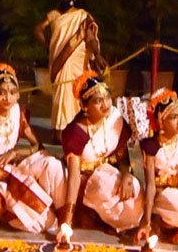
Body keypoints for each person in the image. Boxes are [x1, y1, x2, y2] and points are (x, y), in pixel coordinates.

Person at [0, 63, 66, 234]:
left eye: (12, 92)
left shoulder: (18, 112)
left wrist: (15, 153)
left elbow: (36, 145)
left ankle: (65, 218)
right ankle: (49, 218)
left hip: (13, 166)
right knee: (42, 221)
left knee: (52, 164)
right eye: (1, 92)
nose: (7, 98)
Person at [61, 70, 143, 235]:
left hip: (106, 171)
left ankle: (128, 221)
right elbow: (75, 175)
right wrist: (67, 220)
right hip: (84, 181)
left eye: (107, 98)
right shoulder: (76, 132)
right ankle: (97, 218)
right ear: (85, 107)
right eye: (98, 101)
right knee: (107, 188)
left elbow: (122, 156)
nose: (105, 104)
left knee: (134, 186)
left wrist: (127, 176)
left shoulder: (114, 119)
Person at [137, 88, 178, 244]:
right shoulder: (150, 145)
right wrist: (145, 221)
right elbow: (151, 185)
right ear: (161, 120)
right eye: (174, 117)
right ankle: (158, 221)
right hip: (160, 195)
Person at [35, 0, 104, 131]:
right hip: (59, 62)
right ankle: (60, 129)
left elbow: (90, 38)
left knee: (77, 93)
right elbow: (38, 30)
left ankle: (76, 127)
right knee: (61, 95)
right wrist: (50, 47)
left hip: (78, 63)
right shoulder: (54, 15)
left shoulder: (82, 16)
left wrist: (97, 55)